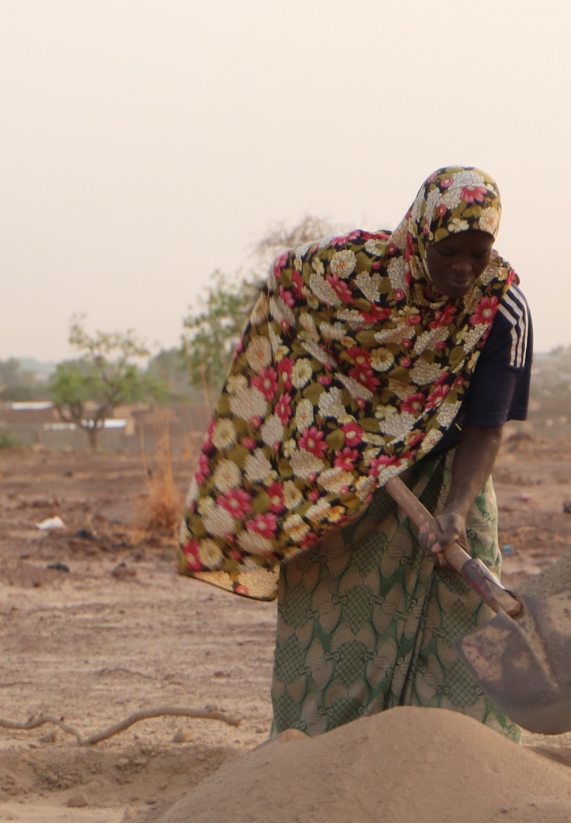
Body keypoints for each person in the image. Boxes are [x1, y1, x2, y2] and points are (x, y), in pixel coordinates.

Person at [178, 166, 532, 740]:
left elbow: (486, 428)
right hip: (344, 474)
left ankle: (461, 774)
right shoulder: (353, 274)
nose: (465, 268)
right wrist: (321, 404)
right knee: (338, 628)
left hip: (448, 472)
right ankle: (317, 764)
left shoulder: (500, 308)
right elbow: (287, 285)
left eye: (479, 252)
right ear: (420, 235)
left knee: (459, 629)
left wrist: (457, 511)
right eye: (450, 251)